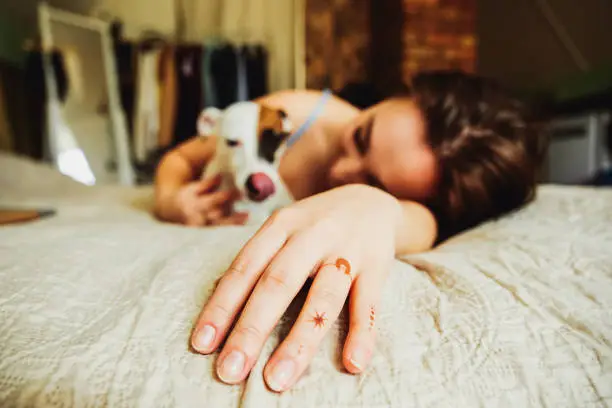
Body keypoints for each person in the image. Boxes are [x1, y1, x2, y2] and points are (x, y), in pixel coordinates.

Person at [154, 70, 546, 392]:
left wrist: (375, 206)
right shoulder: (293, 111)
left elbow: (421, 224)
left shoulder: (411, 208)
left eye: (377, 183)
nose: (343, 172)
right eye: (361, 137)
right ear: (398, 92)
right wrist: (172, 198)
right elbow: (180, 157)